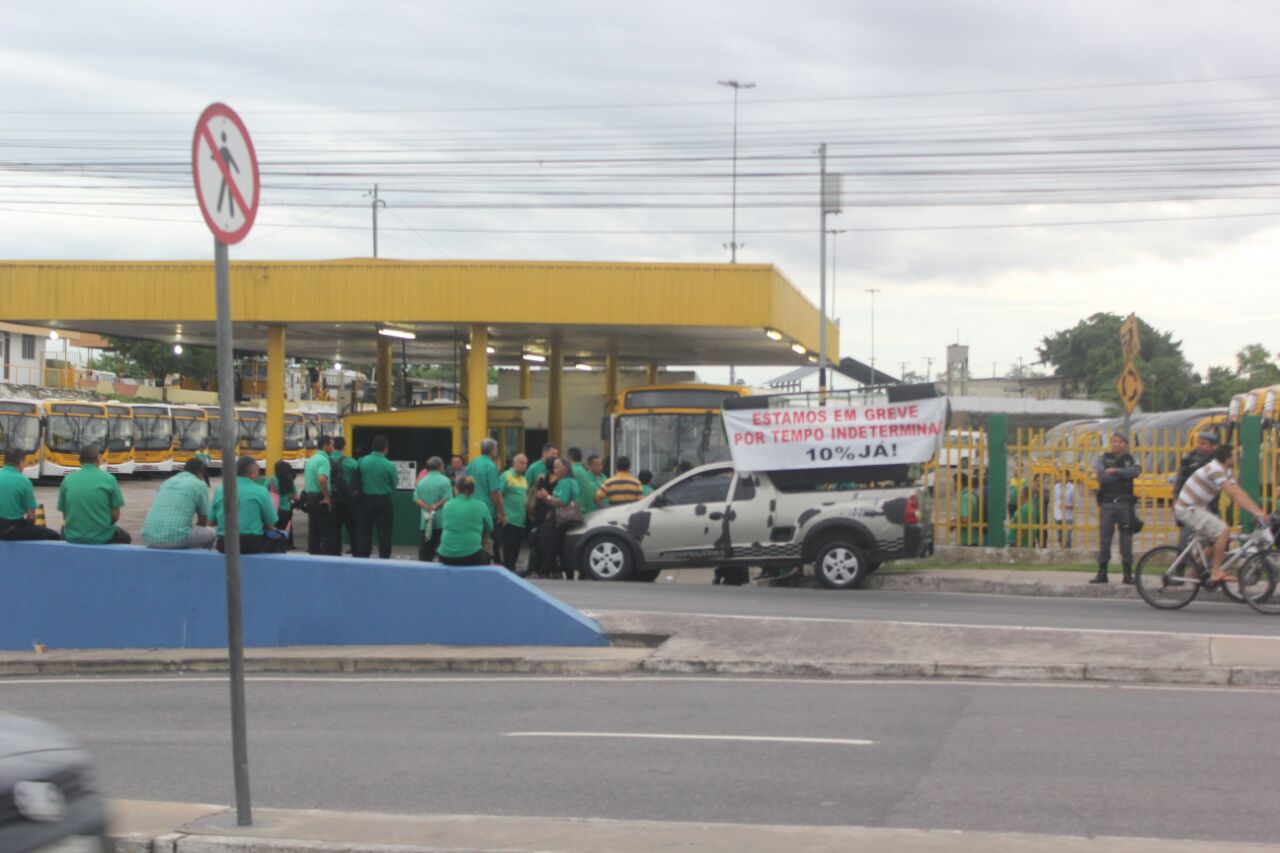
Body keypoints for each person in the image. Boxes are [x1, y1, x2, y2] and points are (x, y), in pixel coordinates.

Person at [1175, 443, 1268, 585]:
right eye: (1234, 456)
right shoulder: (1214, 470)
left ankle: (1193, 573)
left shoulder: (1225, 471)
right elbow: (1233, 494)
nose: (1237, 458)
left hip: (1198, 508)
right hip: (1188, 509)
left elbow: (1240, 492)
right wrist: (1257, 513)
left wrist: (1259, 512)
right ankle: (1215, 572)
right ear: (1227, 458)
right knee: (1223, 531)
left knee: (1221, 540)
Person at [1092, 433, 1141, 584]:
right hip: (1107, 504)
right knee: (1105, 539)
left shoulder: (1131, 459)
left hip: (1124, 505)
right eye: (1114, 441)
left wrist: (1114, 471)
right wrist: (1123, 474)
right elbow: (1101, 477)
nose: (1116, 444)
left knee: (1126, 539)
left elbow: (1135, 472)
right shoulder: (1103, 458)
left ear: (1125, 444)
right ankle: (1102, 573)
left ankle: (1127, 574)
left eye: (1120, 441)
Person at [57, 446, 129, 545]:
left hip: (72, 536)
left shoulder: (67, 480)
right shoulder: (109, 479)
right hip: (102, 536)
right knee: (126, 538)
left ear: (80, 460)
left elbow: (65, 515)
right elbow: (115, 516)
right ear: (97, 459)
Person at [211, 455, 283, 554]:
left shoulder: (220, 490)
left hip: (225, 543)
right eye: (258, 472)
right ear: (252, 474)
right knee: (279, 539)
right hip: (251, 544)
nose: (259, 475)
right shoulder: (261, 491)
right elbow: (271, 523)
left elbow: (210, 521)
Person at [141, 457, 216, 549]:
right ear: (201, 473)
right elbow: (203, 522)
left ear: (184, 469)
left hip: (148, 538)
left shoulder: (167, 482)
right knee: (211, 533)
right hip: (176, 539)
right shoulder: (199, 485)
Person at [0, 446, 60, 541]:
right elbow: (31, 516)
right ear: (20, 462)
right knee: (53, 535)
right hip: (12, 528)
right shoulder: (24, 481)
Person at [535, 457, 580, 579]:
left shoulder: (566, 482)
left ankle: (546, 570)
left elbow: (563, 501)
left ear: (564, 469)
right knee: (559, 545)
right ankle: (563, 571)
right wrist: (546, 498)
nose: (554, 470)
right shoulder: (570, 481)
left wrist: (547, 496)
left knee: (550, 544)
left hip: (562, 519)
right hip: (566, 517)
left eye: (557, 467)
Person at [1174, 430, 1221, 548]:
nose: (1199, 446)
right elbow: (1180, 479)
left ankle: (1203, 563)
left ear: (1212, 446)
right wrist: (1176, 496)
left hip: (1209, 502)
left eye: (1203, 443)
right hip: (1190, 503)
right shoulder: (1189, 458)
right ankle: (1182, 562)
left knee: (1210, 535)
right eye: (1199, 443)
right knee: (1186, 533)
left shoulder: (1216, 461)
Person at [355, 435, 399, 559]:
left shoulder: (362, 461)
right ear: (385, 448)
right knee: (385, 532)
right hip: (383, 500)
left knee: (364, 531)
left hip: (365, 500)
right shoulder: (389, 465)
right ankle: (384, 557)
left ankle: (363, 556)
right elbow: (394, 483)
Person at [435, 475, 493, 566]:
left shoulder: (447, 505)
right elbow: (490, 527)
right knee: (487, 552)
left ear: (456, 489)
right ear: (473, 491)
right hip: (472, 555)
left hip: (445, 555)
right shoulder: (481, 506)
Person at [466, 438, 505, 560]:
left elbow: (468, 485)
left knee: (476, 540)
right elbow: (495, 492)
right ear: (493, 451)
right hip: (488, 511)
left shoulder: (472, 463)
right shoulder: (490, 466)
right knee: (493, 542)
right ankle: (495, 565)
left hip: (472, 508)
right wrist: (500, 512)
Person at [413, 456, 452, 561]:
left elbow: (416, 498)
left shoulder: (421, 482)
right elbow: (447, 498)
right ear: (440, 467)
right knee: (443, 547)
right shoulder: (445, 481)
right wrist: (436, 506)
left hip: (425, 521)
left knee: (425, 548)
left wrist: (427, 507)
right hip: (442, 521)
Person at [303, 434, 336, 555]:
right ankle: (326, 557)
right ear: (326, 445)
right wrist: (327, 497)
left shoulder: (311, 459)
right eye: (331, 444)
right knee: (327, 532)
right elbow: (322, 479)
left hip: (309, 496)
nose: (333, 447)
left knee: (314, 531)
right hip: (319, 498)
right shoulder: (324, 460)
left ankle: (314, 555)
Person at [498, 453, 529, 572]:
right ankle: (509, 569)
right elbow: (499, 495)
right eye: (521, 463)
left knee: (517, 546)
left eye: (525, 463)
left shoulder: (523, 479)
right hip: (509, 518)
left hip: (520, 519)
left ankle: (512, 568)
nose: (524, 466)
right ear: (514, 463)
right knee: (509, 547)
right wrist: (502, 514)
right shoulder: (506, 476)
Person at [329, 437, 360, 555]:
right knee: (353, 529)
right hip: (348, 501)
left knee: (335, 529)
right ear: (344, 447)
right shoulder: (351, 462)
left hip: (332, 499)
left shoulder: (327, 460)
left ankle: (335, 553)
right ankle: (356, 553)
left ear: (333, 446)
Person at [267, 460, 297, 548]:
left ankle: (275, 546)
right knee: (286, 529)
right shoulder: (290, 481)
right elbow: (295, 497)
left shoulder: (271, 480)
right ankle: (286, 546)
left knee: (275, 530)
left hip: (274, 510)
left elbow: (263, 492)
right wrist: (288, 497)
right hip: (286, 510)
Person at [568, 448, 600, 515]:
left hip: (574, 512)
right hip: (584, 510)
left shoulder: (571, 470)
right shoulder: (583, 471)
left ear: (570, 457)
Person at [956, 471, 981, 546]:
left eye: (955, 482)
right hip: (974, 538)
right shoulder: (971, 495)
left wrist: (954, 523)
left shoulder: (965, 497)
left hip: (967, 540)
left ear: (960, 483)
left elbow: (965, 519)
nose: (954, 485)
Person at [1052, 478, 1076, 549]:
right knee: (1060, 537)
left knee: (1067, 538)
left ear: (1068, 476)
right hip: (1058, 516)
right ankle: (1063, 551)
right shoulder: (1056, 487)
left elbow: (1077, 504)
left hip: (1068, 517)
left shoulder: (1072, 488)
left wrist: (1068, 506)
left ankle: (1068, 553)